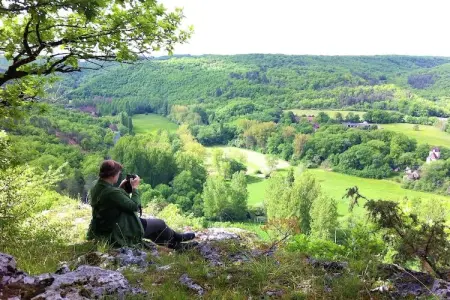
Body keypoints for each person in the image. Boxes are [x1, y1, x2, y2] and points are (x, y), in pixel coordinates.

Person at [87, 159, 196, 250]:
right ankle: (178, 240)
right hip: (118, 230)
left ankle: (179, 244)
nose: (118, 176)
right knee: (159, 224)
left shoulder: (96, 187)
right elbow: (134, 206)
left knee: (151, 229)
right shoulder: (111, 192)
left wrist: (120, 189)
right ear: (112, 175)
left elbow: (112, 201)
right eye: (118, 174)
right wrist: (134, 188)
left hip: (106, 227)